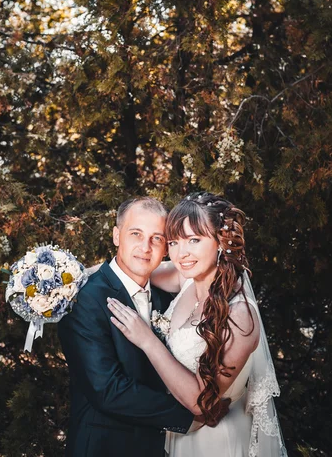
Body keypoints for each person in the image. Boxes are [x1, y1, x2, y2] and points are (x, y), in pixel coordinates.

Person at [108, 192, 287, 457]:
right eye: (174, 242)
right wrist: (69, 279)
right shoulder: (187, 278)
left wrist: (148, 340)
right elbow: (131, 267)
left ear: (220, 241)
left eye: (194, 240)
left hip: (214, 440)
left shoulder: (240, 316)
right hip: (176, 431)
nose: (182, 254)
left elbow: (201, 404)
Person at [57, 197, 228, 457]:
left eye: (157, 238)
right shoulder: (85, 298)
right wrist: (188, 418)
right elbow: (107, 390)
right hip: (103, 448)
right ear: (117, 236)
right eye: (136, 234)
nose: (145, 247)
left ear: (165, 249)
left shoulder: (169, 298)